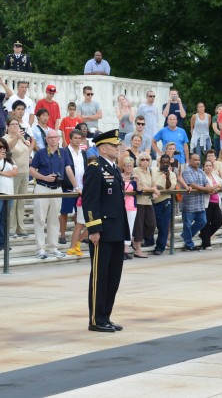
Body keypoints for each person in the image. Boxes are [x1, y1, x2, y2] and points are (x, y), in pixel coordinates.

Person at [82, 129, 129, 332]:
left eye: (118, 145)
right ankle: (96, 319)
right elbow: (90, 201)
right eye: (113, 145)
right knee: (100, 277)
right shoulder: (95, 168)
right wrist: (93, 229)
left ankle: (106, 316)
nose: (117, 148)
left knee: (113, 277)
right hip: (102, 231)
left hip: (117, 230)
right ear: (102, 148)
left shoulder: (114, 168)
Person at [30, 129, 81, 259]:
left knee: (54, 220)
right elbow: (31, 170)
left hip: (57, 189)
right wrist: (44, 177)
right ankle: (40, 249)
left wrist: (76, 186)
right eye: (50, 137)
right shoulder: (41, 153)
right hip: (42, 187)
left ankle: (53, 247)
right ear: (46, 139)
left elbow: (68, 170)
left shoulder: (63, 152)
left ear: (59, 138)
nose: (52, 139)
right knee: (40, 219)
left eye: (55, 137)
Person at [59, 130, 87, 246]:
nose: (77, 140)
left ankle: (78, 237)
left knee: (79, 214)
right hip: (68, 187)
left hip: (82, 187)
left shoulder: (83, 153)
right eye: (75, 138)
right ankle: (63, 235)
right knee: (64, 212)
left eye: (79, 138)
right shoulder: (65, 151)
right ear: (70, 139)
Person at [5, 117, 32, 238]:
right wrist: (16, 138)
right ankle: (11, 227)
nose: (16, 126)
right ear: (8, 126)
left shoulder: (21, 138)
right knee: (13, 201)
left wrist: (28, 144)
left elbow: (27, 151)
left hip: (25, 172)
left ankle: (21, 227)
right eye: (13, 124)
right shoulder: (5, 138)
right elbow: (7, 148)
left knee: (21, 202)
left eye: (17, 124)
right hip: (13, 173)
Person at [181, 153, 212, 251]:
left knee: (203, 221)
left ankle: (185, 235)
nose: (197, 162)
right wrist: (206, 189)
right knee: (187, 224)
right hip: (189, 203)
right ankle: (189, 244)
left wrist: (208, 188)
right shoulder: (187, 171)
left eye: (198, 160)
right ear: (190, 161)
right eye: (194, 160)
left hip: (199, 203)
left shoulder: (201, 171)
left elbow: (206, 182)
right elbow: (192, 184)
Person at [132, 153, 160, 257]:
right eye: (143, 159)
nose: (145, 161)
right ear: (139, 161)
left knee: (152, 224)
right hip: (139, 201)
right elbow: (141, 186)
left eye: (147, 160)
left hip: (148, 201)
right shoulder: (136, 170)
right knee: (139, 225)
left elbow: (153, 184)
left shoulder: (150, 171)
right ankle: (138, 248)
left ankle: (136, 239)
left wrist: (154, 191)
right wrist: (153, 189)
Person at [151, 154, 177, 256]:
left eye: (167, 162)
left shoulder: (172, 174)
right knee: (150, 224)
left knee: (163, 226)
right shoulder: (152, 170)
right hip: (152, 201)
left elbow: (169, 188)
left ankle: (160, 247)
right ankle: (149, 241)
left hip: (165, 201)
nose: (165, 164)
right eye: (163, 162)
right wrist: (155, 186)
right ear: (160, 162)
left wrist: (167, 178)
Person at [199, 159, 222, 250]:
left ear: (212, 167)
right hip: (207, 203)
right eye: (206, 166)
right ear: (203, 167)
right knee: (206, 223)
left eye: (210, 166)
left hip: (216, 202)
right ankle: (206, 244)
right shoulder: (202, 176)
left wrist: (217, 186)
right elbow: (208, 188)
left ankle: (203, 236)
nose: (208, 167)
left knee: (219, 221)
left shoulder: (214, 175)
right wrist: (216, 186)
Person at [0, 137, 18, 250]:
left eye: (3, 146)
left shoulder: (10, 159)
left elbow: (15, 172)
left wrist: (1, 173)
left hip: (9, 193)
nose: (2, 149)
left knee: (4, 219)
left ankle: (3, 243)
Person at [121, 157, 138, 258]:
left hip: (132, 206)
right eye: (127, 166)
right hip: (121, 206)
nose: (129, 168)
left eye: (131, 166)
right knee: (121, 228)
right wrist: (123, 180)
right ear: (123, 167)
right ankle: (120, 250)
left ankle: (126, 250)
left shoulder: (134, 178)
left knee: (130, 227)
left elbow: (139, 191)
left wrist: (138, 181)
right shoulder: (119, 176)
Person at [136, 91, 160, 158]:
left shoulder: (155, 108)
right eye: (150, 96)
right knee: (143, 156)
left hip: (153, 136)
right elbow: (137, 119)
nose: (152, 98)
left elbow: (156, 121)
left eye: (153, 96)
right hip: (144, 135)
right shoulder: (142, 107)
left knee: (153, 156)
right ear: (147, 97)